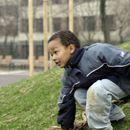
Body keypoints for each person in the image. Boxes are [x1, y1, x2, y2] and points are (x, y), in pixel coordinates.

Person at [48, 30, 130, 130]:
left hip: (126, 83)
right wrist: (66, 127)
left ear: (71, 48)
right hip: (109, 88)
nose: (53, 58)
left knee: (96, 89)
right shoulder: (68, 76)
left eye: (56, 52)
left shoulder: (97, 52)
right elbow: (65, 102)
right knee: (79, 94)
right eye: (51, 55)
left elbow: (126, 62)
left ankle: (101, 128)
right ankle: (114, 116)